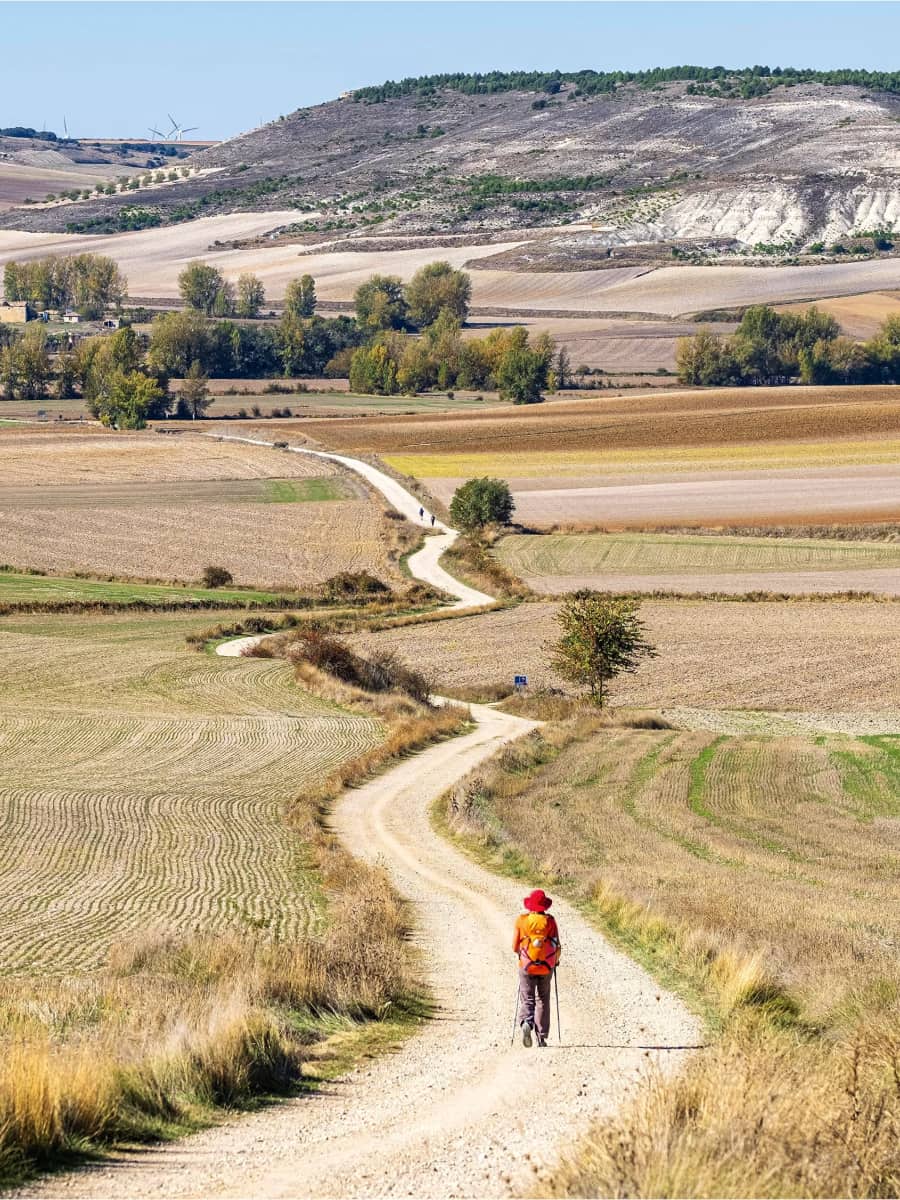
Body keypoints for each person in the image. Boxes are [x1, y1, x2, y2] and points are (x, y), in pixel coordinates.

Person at [513, 889, 560, 1047]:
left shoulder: (522, 920)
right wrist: (555, 961)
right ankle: (542, 1037)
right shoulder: (551, 921)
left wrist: (522, 955)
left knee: (528, 997)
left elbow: (515, 946)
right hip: (546, 966)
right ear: (545, 906)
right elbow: (556, 945)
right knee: (543, 999)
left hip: (526, 965)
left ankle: (527, 1022)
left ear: (530, 905)